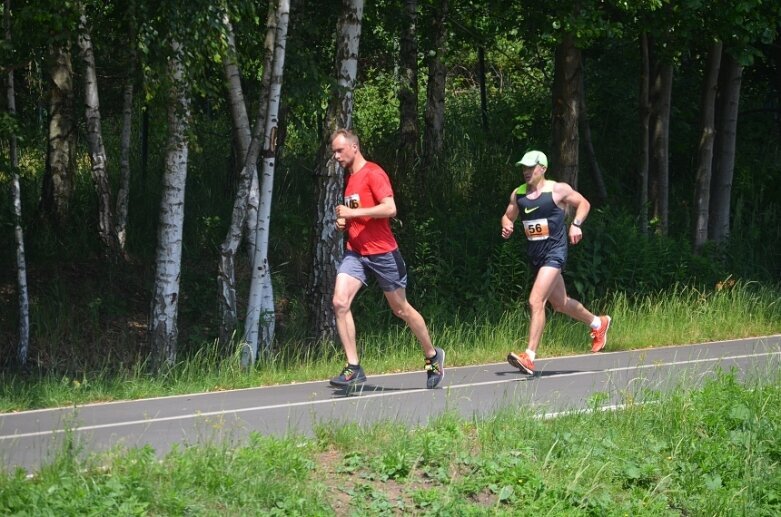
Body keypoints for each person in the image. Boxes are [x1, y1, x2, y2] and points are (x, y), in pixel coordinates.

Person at [328, 128, 445, 389]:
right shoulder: (350, 178)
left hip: (382, 253)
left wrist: (352, 214)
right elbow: (357, 214)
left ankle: (432, 356)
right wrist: (344, 222)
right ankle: (353, 367)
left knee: (400, 309)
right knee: (339, 302)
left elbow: (390, 208)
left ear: (354, 147)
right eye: (333, 152)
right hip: (356, 253)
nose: (336, 156)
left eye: (339, 150)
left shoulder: (373, 173)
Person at [500, 150, 611, 375]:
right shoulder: (518, 194)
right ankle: (599, 324)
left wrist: (577, 224)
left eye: (531, 168)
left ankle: (529, 356)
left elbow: (584, 204)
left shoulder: (557, 189)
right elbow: (507, 215)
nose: (526, 172)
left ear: (543, 168)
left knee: (535, 301)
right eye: (524, 167)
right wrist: (506, 225)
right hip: (536, 256)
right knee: (559, 303)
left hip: (555, 253)